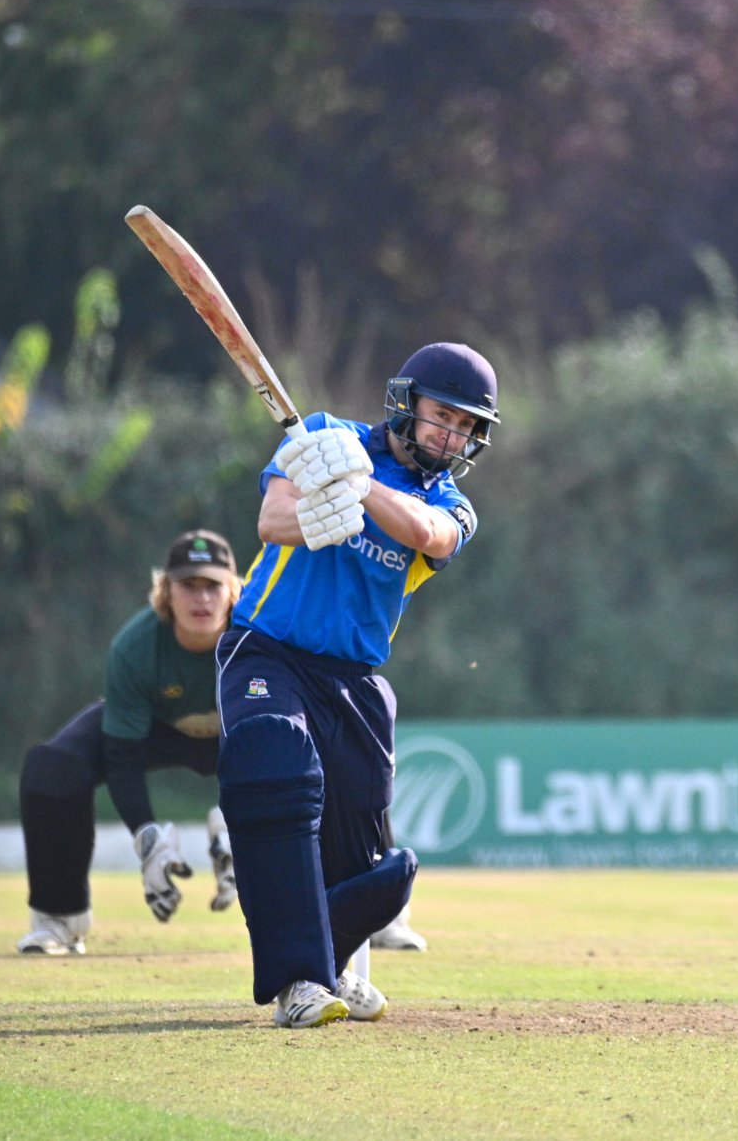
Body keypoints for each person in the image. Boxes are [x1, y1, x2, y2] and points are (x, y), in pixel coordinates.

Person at [217, 342, 497, 1028]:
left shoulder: (451, 502)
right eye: (442, 416)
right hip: (267, 650)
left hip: (352, 677)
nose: (451, 435)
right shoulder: (320, 437)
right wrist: (320, 513)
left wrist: (361, 489)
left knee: (378, 865)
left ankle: (330, 960)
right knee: (278, 763)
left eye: (465, 427)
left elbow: (432, 535)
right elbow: (271, 520)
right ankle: (299, 983)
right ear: (407, 403)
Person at [15, 530, 246, 954]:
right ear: (165, 592)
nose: (201, 599)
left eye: (212, 585)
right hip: (156, 729)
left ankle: (377, 913)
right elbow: (123, 757)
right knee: (52, 768)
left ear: (233, 590)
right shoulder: (135, 647)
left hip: (243, 733)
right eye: (187, 585)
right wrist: (148, 839)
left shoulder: (258, 636)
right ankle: (59, 920)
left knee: (343, 750)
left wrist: (244, 822)